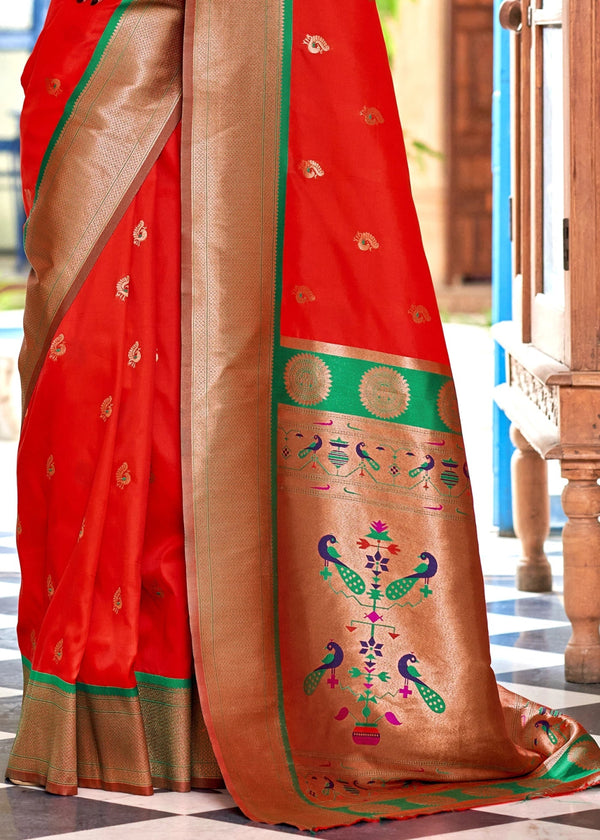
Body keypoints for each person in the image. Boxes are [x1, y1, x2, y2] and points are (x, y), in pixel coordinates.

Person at [7, 0, 600, 830]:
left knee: (191, 368)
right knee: (100, 359)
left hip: (251, 53)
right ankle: (109, 702)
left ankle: (210, 709)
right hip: (107, 46)